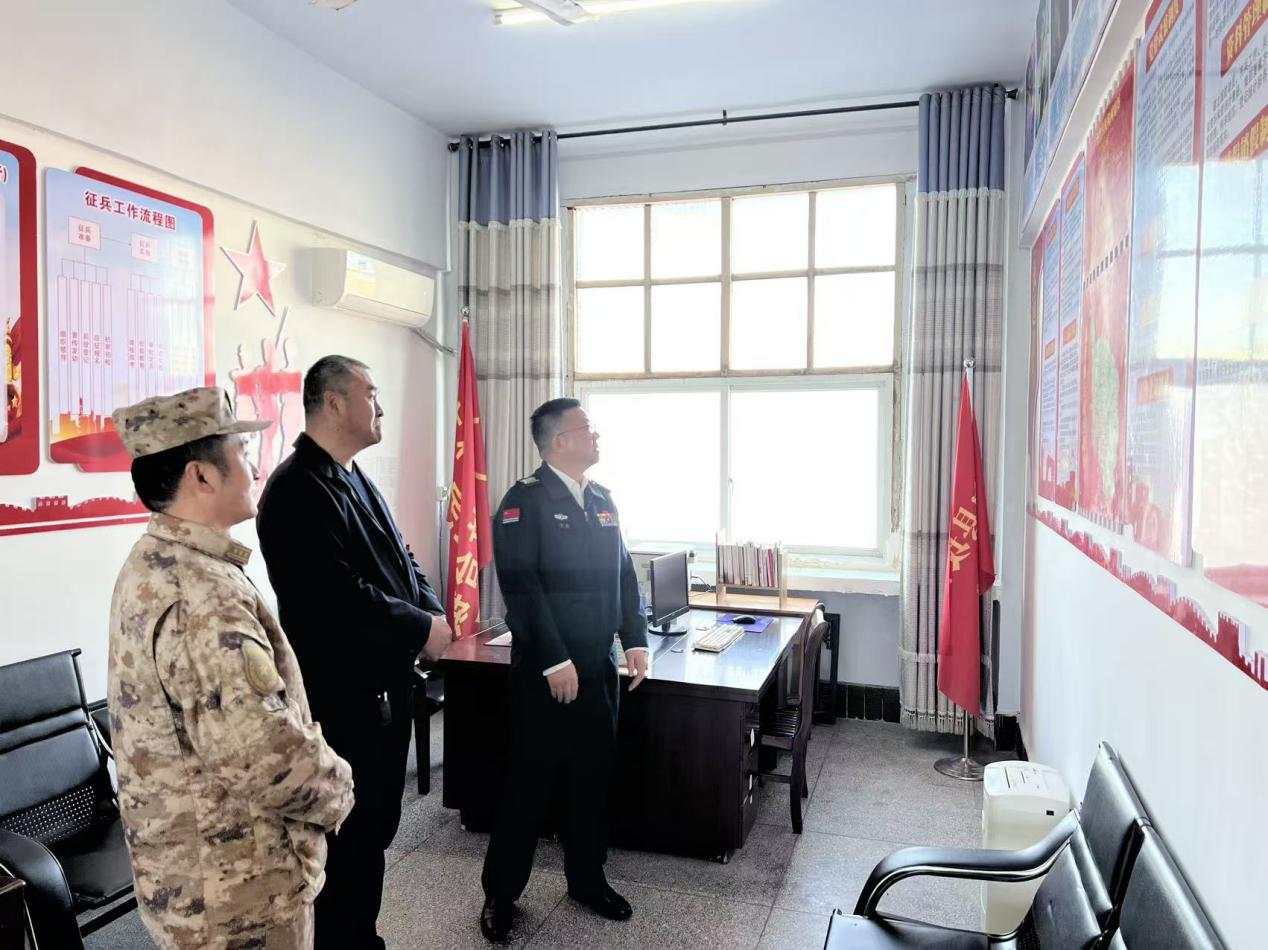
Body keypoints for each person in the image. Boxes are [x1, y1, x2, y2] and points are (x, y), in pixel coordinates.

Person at [108, 386, 355, 950]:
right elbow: (263, 755)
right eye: (242, 453)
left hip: (195, 878)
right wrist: (339, 787)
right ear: (201, 476)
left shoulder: (156, 562)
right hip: (240, 893)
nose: (255, 468)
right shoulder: (202, 592)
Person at [256, 355, 454, 949]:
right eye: (371, 394)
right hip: (340, 700)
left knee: (372, 834)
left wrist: (430, 614)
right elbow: (335, 596)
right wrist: (418, 627)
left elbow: (402, 558)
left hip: (382, 693)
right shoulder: (296, 488)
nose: (381, 407)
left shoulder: (351, 473)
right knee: (345, 841)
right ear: (335, 401)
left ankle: (361, 938)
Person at [479, 398, 649, 943]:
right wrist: (555, 659)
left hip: (598, 667)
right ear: (559, 442)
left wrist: (635, 639)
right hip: (546, 673)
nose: (596, 436)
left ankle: (587, 881)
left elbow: (624, 572)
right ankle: (501, 894)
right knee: (528, 784)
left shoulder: (602, 498)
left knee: (591, 779)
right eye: (587, 429)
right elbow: (521, 588)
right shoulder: (524, 502)